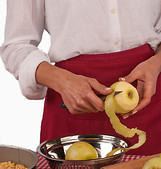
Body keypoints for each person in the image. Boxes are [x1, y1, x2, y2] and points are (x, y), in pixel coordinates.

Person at [1, 0, 161, 155]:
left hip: (149, 96)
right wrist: (62, 81)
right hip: (72, 103)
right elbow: (16, 45)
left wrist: (157, 63)